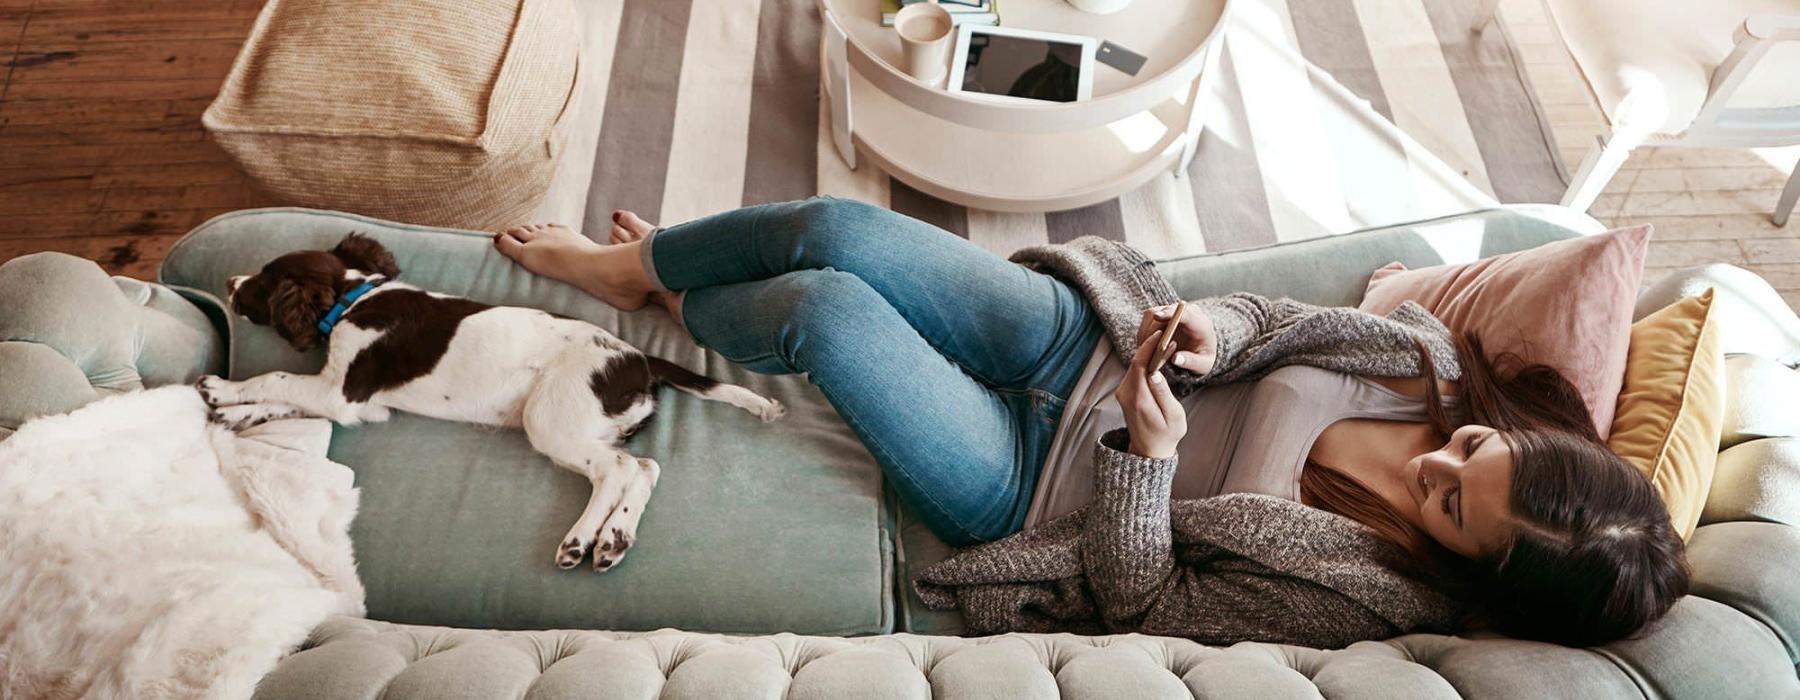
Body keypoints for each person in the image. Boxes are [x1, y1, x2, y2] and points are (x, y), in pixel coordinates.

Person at [493, 197, 1687, 648]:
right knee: (839, 231)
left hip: (1030, 484)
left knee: (822, 309)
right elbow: (1274, 320)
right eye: (1477, 452)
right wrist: (1216, 328)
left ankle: (684, 298)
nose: (1438, 461)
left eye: (1447, 505)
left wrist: (1149, 461)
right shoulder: (1430, 362)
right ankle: (638, 268)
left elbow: (1148, 601)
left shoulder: (1367, 595)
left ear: (1467, 569)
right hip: (1081, 342)